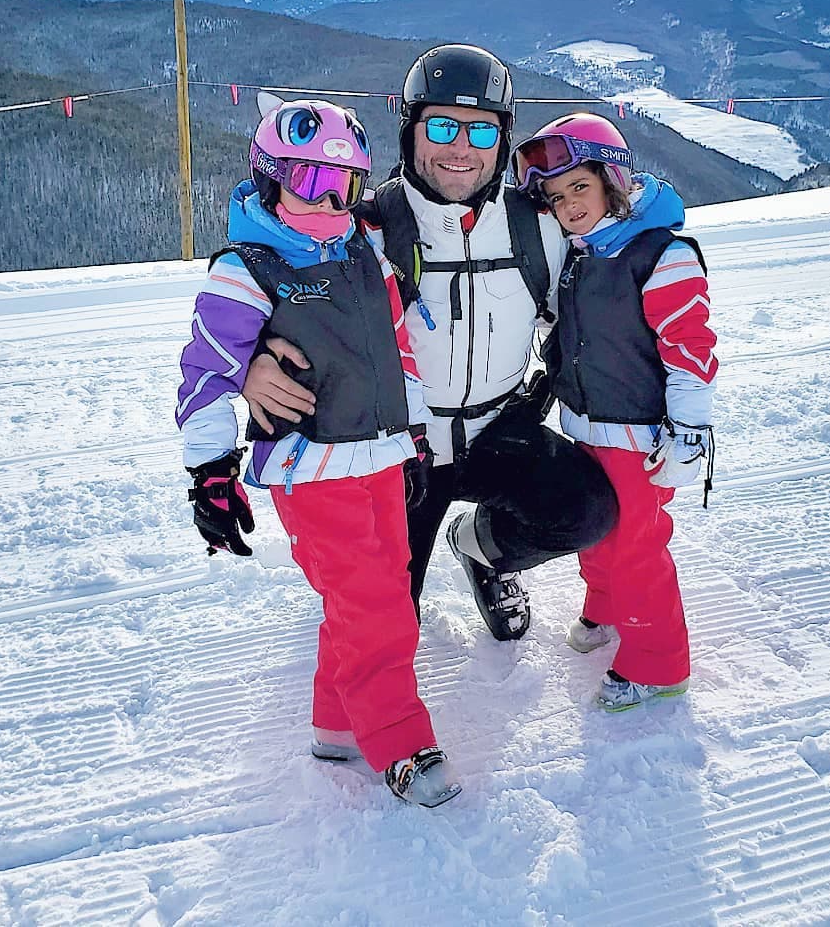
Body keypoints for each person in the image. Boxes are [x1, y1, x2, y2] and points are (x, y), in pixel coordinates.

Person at [241, 46, 618, 642]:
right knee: (388, 622)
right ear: (410, 131)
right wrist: (251, 360)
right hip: (402, 454)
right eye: (441, 126)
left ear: (503, 140)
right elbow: (257, 274)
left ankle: (482, 550)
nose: (460, 148)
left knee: (587, 510)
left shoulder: (539, 225)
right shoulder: (362, 228)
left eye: (481, 131)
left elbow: (616, 289)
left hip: (498, 433)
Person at [175, 98, 460, 807]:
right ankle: (398, 742)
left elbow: (401, 354)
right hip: (312, 466)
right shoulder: (248, 269)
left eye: (345, 185)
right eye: (309, 181)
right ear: (271, 177)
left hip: (381, 457)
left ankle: (337, 725)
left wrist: (415, 434)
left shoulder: (366, 255)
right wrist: (211, 473)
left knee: (378, 591)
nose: (329, 199)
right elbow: (204, 375)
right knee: (376, 610)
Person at [512, 112, 718, 712]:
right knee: (597, 527)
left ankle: (658, 664)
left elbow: (692, 352)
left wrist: (688, 431)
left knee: (635, 545)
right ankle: (605, 607)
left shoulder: (661, 254)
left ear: (613, 178)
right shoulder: (583, 253)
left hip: (639, 432)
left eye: (580, 186)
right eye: (555, 196)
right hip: (586, 422)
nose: (569, 205)